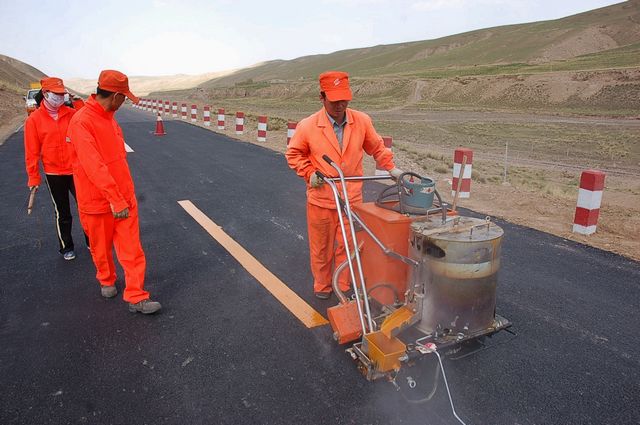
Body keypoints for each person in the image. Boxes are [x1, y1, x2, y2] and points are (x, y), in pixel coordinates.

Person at [285, 71, 404, 299]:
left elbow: (376, 147)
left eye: (345, 99)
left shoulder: (361, 121)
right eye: (335, 100)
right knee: (321, 247)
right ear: (322, 97)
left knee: (348, 246)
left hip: (351, 198)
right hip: (321, 198)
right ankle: (322, 286)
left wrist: (391, 168)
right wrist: (309, 172)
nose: (341, 105)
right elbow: (294, 154)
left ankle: (343, 286)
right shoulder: (308, 126)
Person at [67, 70, 161, 314]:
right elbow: (93, 166)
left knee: (132, 249)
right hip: (98, 202)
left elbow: (117, 160)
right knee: (101, 248)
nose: (126, 102)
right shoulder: (81, 122)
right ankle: (106, 278)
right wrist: (114, 198)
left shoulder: (110, 118)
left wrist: (123, 197)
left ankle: (136, 296)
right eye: (125, 97)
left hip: (124, 199)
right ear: (116, 96)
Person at [24, 77, 88, 260]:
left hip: (76, 170)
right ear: (45, 93)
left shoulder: (70, 113)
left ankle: (93, 242)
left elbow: (87, 118)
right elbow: (31, 152)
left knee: (86, 208)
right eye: (57, 94)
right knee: (63, 213)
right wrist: (33, 178)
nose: (61, 97)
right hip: (54, 174)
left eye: (63, 94)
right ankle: (66, 247)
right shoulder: (34, 120)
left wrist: (76, 100)